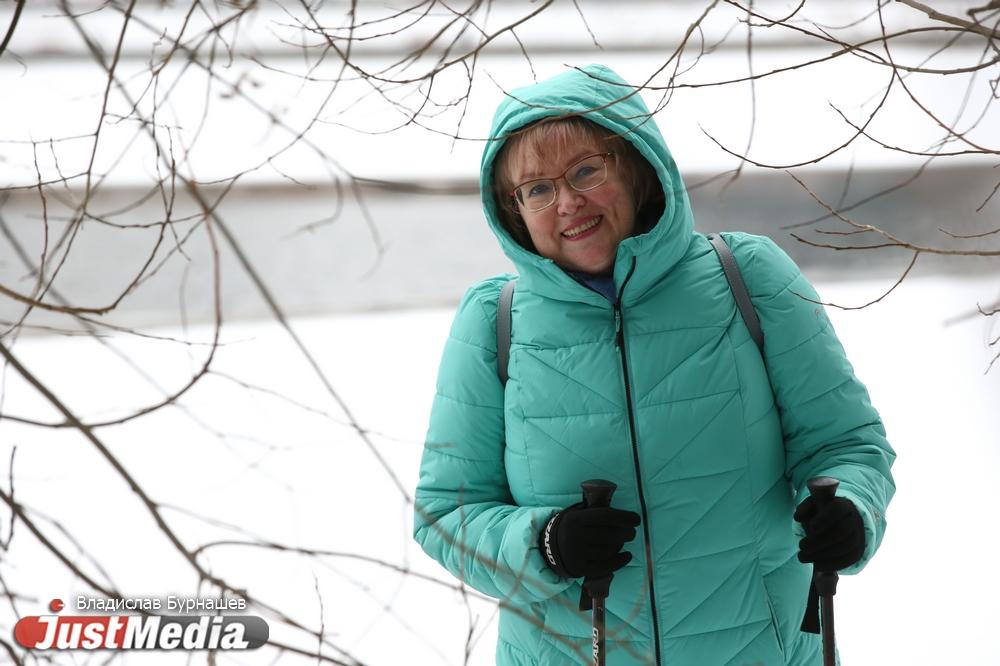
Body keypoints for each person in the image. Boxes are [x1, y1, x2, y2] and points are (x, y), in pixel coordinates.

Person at [413, 64, 895, 665]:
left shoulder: (746, 278)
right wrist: (544, 544)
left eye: (587, 170)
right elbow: (446, 514)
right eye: (536, 189)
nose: (567, 202)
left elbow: (846, 442)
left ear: (638, 167)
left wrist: (850, 507)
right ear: (514, 211)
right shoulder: (494, 321)